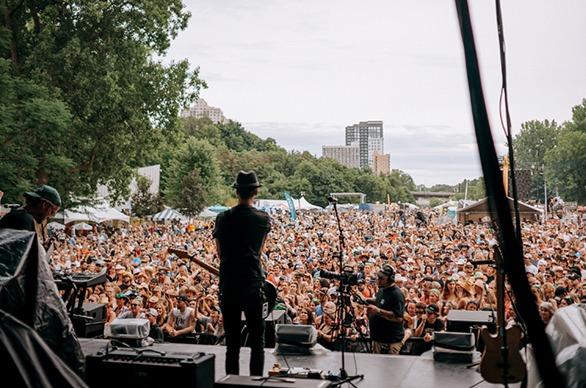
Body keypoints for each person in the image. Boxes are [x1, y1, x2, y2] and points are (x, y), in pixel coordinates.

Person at [213, 171, 271, 376]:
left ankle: (231, 383)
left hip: (229, 284)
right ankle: (255, 382)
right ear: (255, 191)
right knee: (257, 342)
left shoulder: (222, 218)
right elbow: (260, 250)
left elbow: (220, 253)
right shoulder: (263, 219)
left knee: (232, 344)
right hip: (253, 284)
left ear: (236, 192)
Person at [366, 265, 405, 354]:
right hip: (378, 338)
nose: (378, 280)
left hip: (390, 341)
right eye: (378, 277)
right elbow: (381, 301)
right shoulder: (382, 289)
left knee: (390, 366)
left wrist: (379, 311)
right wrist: (366, 300)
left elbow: (398, 317)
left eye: (381, 278)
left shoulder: (397, 294)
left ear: (390, 279)